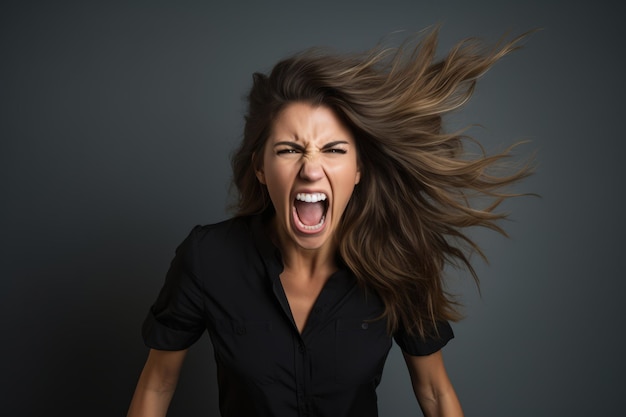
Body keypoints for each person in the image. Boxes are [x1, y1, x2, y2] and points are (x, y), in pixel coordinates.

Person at [127, 27, 532, 417]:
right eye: (289, 149)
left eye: (334, 149)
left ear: (358, 170)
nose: (310, 169)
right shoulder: (208, 257)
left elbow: (434, 392)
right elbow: (157, 385)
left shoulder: (400, 263)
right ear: (261, 168)